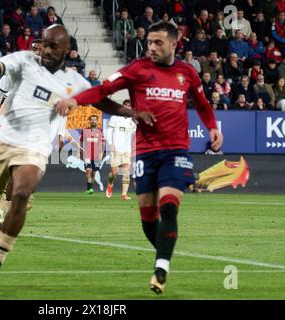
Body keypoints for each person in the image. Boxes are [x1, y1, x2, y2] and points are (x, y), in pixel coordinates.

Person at [0, 24, 154, 283]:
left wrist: (132, 113)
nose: (46, 50)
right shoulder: (24, 60)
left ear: (66, 50)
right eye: (44, 44)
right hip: (1, 139)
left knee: (22, 192)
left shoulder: (74, 81)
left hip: (33, 146)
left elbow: (101, 101)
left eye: (53, 46)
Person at [55, 21, 223, 294]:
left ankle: (161, 269)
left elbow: (202, 104)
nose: (152, 48)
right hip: (145, 151)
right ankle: (165, 250)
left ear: (173, 43)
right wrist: (76, 101)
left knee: (169, 206)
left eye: (158, 43)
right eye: (150, 43)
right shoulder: (137, 69)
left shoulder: (187, 73)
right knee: (148, 218)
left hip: (176, 149)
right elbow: (102, 91)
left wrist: (213, 126)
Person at [105, 99, 137, 200]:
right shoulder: (115, 117)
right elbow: (109, 131)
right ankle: (110, 184)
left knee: (126, 173)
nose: (128, 107)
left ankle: (124, 194)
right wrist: (110, 144)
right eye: (126, 106)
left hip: (126, 149)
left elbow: (133, 133)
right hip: (116, 148)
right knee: (114, 172)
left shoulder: (132, 121)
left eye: (130, 106)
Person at [80, 114, 105, 195]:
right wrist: (80, 151)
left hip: (97, 155)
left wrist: (101, 153)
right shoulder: (84, 130)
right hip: (87, 155)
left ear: (97, 121)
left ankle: (90, 188)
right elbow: (81, 141)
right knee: (88, 170)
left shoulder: (100, 131)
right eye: (92, 119)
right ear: (89, 121)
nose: (93, 121)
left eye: (95, 119)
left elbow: (102, 143)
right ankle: (89, 188)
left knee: (94, 172)